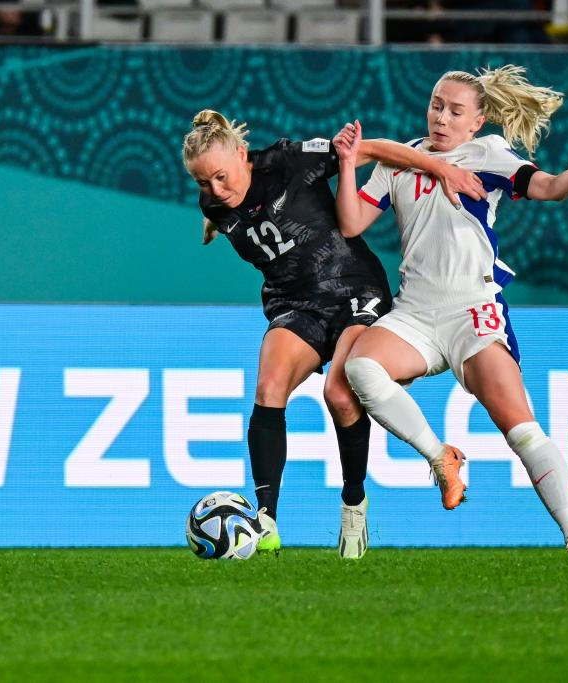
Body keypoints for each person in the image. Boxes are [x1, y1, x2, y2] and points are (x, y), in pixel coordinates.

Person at [332, 65, 568, 560]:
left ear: (477, 123)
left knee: (520, 428)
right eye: (437, 105)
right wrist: (349, 164)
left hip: (472, 311)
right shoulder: (399, 161)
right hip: (414, 313)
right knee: (361, 369)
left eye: (456, 111)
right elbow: (351, 223)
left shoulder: (488, 154)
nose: (442, 118)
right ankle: (441, 458)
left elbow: (551, 188)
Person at [181, 110, 484, 559]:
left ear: (242, 154)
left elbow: (372, 150)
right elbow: (234, 215)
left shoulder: (289, 160)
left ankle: (353, 505)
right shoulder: (214, 203)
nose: (216, 189)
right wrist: (213, 223)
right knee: (269, 386)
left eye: (221, 177)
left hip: (353, 289)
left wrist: (441, 168)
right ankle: (266, 519)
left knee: (339, 394)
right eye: (204, 182)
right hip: (293, 302)